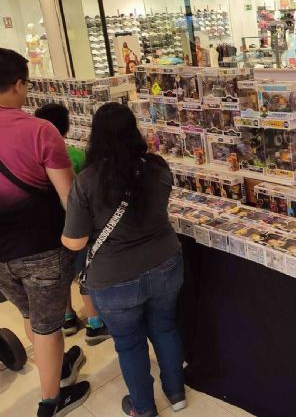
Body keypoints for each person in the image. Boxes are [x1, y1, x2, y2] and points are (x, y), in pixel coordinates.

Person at [61, 103, 186, 417]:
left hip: (114, 280)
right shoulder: (156, 166)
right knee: (166, 329)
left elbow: (74, 241)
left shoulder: (86, 181)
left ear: (95, 137)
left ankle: (143, 408)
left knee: (129, 344)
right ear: (134, 130)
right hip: (166, 264)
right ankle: (176, 393)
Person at [0, 48, 90, 417]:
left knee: (29, 313)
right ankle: (51, 400)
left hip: (1, 253)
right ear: (19, 84)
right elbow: (70, 199)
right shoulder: (40, 130)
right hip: (41, 247)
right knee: (49, 325)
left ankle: (57, 367)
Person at [34, 103, 110, 345]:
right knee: (84, 271)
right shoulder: (75, 156)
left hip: (48, 227)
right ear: (65, 129)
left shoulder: (34, 156)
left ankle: (67, 317)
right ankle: (94, 323)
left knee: (61, 276)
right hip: (76, 226)